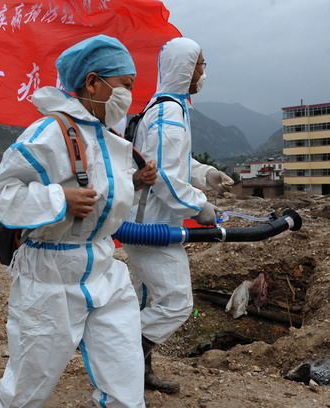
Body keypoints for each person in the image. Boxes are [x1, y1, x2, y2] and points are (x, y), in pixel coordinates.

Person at [0, 35, 157, 408]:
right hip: (49, 274)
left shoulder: (108, 138)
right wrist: (59, 200)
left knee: (125, 378)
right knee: (28, 387)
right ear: (93, 82)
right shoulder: (48, 133)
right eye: (125, 85)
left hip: (104, 269)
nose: (129, 95)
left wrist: (136, 182)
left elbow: (103, 198)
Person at [122, 37, 234, 394]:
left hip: (146, 222)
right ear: (186, 68)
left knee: (148, 300)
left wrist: (205, 174)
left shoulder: (167, 107)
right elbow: (165, 176)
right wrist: (199, 205)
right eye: (200, 64)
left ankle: (137, 374)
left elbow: (177, 163)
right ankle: (119, 358)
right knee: (175, 303)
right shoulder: (169, 112)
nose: (203, 72)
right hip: (152, 226)